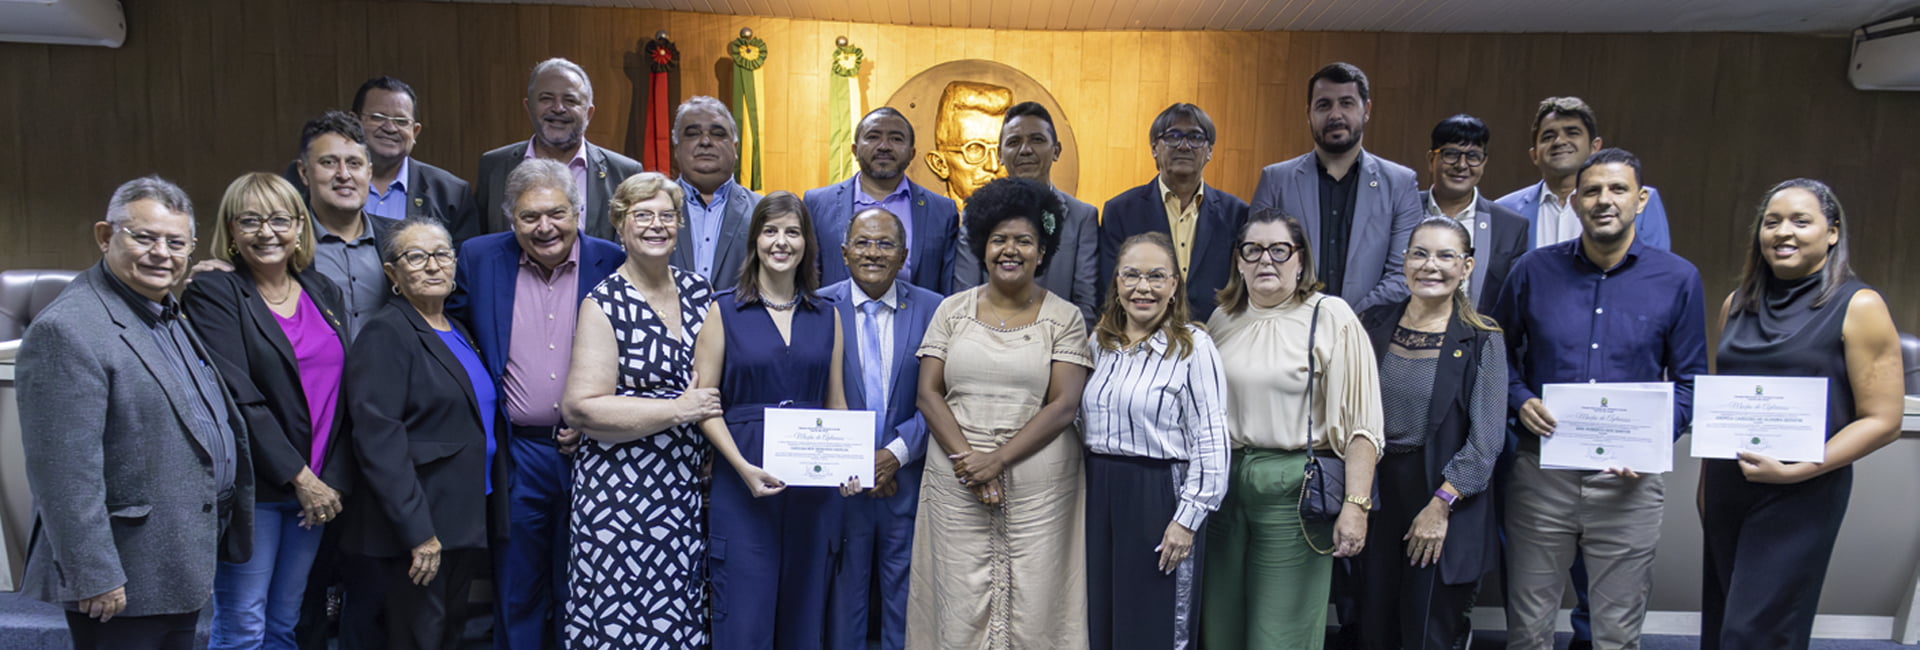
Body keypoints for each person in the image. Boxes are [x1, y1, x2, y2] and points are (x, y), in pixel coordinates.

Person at [18, 176, 255, 650]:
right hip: (123, 578)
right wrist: (93, 574)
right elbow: (64, 473)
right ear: (106, 236)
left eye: (176, 242)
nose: (161, 253)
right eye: (144, 237)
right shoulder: (68, 330)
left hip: (174, 561)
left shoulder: (164, 310)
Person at [1490, 149, 1708, 649]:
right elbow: (1493, 352)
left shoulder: (1678, 279)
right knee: (1527, 631)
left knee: (1615, 634)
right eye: (1591, 191)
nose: (1603, 201)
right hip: (1540, 475)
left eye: (1617, 190)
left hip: (1628, 485)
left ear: (1641, 200)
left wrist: (1649, 441)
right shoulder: (1532, 270)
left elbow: (1692, 381)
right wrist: (1519, 398)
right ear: (1574, 202)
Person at [1700, 179, 1902, 649]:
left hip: (1803, 493)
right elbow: (1724, 407)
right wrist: (1707, 487)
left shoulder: (1860, 305)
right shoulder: (1735, 305)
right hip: (1730, 489)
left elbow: (1883, 419)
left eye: (1800, 221)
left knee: (1757, 633)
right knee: (1723, 625)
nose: (1782, 232)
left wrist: (1797, 472)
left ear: (1832, 233)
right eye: (1772, 222)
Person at [908, 177, 1094, 648]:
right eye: (999, 240)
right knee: (956, 600)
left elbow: (1064, 405)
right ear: (982, 245)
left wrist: (998, 460)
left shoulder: (1065, 317)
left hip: (1041, 491)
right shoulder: (952, 310)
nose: (1010, 250)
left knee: (1039, 606)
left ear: (1041, 250)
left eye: (1024, 241)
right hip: (956, 481)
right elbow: (929, 394)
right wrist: (972, 462)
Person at [448, 159, 625, 650]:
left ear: (577, 212)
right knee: (518, 585)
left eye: (556, 213)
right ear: (510, 220)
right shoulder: (479, 259)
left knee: (587, 583)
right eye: (529, 217)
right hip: (517, 451)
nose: (544, 227)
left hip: (595, 453)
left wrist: (597, 415)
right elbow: (444, 330)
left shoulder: (611, 261)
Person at [184, 173, 353, 650]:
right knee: (243, 628)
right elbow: (239, 397)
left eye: (280, 219)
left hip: (318, 493)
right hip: (258, 490)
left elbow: (344, 394)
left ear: (300, 227)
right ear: (231, 231)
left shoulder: (323, 290)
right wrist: (302, 479)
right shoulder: (215, 293)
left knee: (285, 623)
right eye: (250, 221)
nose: (267, 232)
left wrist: (330, 481)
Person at [1201, 208, 1383, 649]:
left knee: (1279, 633)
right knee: (1220, 626)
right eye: (1254, 249)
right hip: (1224, 489)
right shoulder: (1222, 320)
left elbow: (1363, 425)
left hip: (1293, 491)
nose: (1266, 260)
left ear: (1300, 260)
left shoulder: (1331, 315)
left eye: (1280, 250)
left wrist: (1356, 506)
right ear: (1239, 261)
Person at [560, 171, 723, 648]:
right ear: (620, 225)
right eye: (642, 215)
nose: (656, 225)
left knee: (675, 617)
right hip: (618, 495)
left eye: (666, 216)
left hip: (680, 490)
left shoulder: (699, 292)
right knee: (618, 622)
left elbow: (710, 387)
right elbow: (581, 408)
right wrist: (677, 410)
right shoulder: (603, 303)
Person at [337, 218, 507, 650]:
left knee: (446, 637)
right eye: (416, 256)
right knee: (417, 640)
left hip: (462, 518)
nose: (433, 265)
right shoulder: (387, 333)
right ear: (392, 273)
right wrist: (418, 533)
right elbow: (379, 441)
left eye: (442, 254)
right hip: (414, 530)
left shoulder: (458, 330)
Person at [692, 191, 851, 648]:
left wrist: (847, 467)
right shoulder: (723, 310)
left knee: (803, 622)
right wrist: (741, 468)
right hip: (742, 484)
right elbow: (703, 405)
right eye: (770, 230)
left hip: (812, 493)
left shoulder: (828, 316)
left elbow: (834, 402)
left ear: (807, 244)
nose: (781, 242)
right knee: (744, 620)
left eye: (793, 232)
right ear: (755, 240)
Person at [1354, 217, 1506, 649]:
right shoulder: (1373, 323)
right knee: (1372, 625)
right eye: (1419, 253)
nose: (1430, 265)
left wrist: (1440, 507)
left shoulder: (1481, 339)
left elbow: (1486, 440)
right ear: (1404, 261)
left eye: (1445, 256)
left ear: (1467, 267)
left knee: (1429, 632)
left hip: (1444, 499)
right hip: (1377, 496)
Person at [1080, 232, 1230, 649]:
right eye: (1130, 275)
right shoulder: (1099, 343)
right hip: (1099, 490)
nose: (1142, 287)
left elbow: (1212, 436)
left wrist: (1188, 519)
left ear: (1174, 286)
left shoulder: (1193, 347)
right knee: (1103, 615)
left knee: (1153, 621)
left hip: (1159, 493)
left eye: (1155, 276)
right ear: (1116, 282)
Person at [823, 208, 941, 650]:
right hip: (840, 488)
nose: (873, 253)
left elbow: (947, 396)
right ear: (844, 252)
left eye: (886, 244)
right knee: (843, 605)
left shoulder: (936, 308)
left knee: (906, 603)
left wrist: (893, 456)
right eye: (863, 242)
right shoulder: (817, 305)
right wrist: (858, 462)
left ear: (904, 254)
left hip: (909, 481)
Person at [1249, 62, 1422, 314]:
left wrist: (1345, 323)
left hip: (1371, 335)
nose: (1335, 114)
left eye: (1347, 103)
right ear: (1309, 113)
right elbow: (1257, 260)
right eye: (1324, 105)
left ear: (1367, 110)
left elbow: (1403, 272)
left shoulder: (1400, 184)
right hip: (1289, 330)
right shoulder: (1275, 180)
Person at [955, 101, 1101, 327]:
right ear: (1000, 154)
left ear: (1056, 150)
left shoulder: (1082, 217)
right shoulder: (975, 213)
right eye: (1014, 142)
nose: (1025, 150)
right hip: (986, 346)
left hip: (1057, 347)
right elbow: (965, 296)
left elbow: (1085, 304)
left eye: (1037, 140)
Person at [1098, 103, 1249, 322]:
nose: (1184, 146)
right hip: (1143, 339)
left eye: (1195, 138)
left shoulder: (1236, 213)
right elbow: (1109, 286)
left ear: (1210, 151)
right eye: (1172, 136)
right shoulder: (1121, 210)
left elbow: (1240, 287)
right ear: (1154, 148)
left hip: (1216, 338)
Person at [477, 57, 645, 240]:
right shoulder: (494, 166)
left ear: (589, 113)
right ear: (529, 107)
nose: (558, 108)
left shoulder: (624, 172)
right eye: (546, 99)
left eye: (570, 100)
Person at [807, 107, 960, 294]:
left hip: (919, 322)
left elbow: (947, 286)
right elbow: (809, 277)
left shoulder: (942, 210)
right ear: (854, 150)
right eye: (873, 137)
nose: (884, 146)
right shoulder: (818, 203)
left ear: (912, 154)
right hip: (836, 320)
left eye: (896, 139)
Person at [1494, 96, 1673, 252]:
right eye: (1548, 136)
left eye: (1572, 133)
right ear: (1534, 155)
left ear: (1594, 147)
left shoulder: (1639, 200)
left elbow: (1656, 272)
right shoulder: (1504, 210)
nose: (1560, 141)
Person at [297, 111, 397, 338]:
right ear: (303, 172)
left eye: (354, 163)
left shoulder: (398, 239)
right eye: (329, 162)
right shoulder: (284, 243)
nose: (343, 174)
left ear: (369, 173)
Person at [1419, 114, 1529, 314]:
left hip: (1475, 341)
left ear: (1484, 163)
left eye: (1473, 156)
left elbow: (1511, 304)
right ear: (1431, 160)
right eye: (1450, 154)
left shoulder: (1509, 227)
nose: (1462, 165)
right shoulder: (1402, 210)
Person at [669, 95, 763, 290]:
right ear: (676, 149)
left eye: (718, 133)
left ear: (735, 148)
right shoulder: (646, 212)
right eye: (693, 133)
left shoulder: (762, 211)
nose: (705, 141)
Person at [923, 80, 1012, 210]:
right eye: (975, 149)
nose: (993, 166)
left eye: (1002, 150)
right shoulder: (924, 223)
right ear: (940, 164)